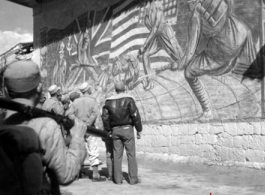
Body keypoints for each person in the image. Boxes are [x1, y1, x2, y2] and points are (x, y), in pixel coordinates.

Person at [2, 60, 87, 195]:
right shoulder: (46, 126)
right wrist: (77, 139)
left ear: (5, 91)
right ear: (39, 89)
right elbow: (65, 175)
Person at [177, 0, 257, 120]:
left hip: (223, 50)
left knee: (189, 72)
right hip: (240, 31)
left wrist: (181, 63)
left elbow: (190, 51)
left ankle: (207, 111)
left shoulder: (196, 14)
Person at [102, 81, 142, 185]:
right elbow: (135, 115)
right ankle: (133, 179)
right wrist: (139, 130)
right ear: (124, 88)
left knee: (117, 155)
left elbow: (105, 118)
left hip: (115, 131)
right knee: (131, 155)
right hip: (127, 129)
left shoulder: (108, 102)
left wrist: (108, 131)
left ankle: (118, 180)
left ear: (115, 90)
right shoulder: (129, 99)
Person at [138, 0, 183, 90]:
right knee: (145, 55)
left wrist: (144, 45)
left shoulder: (156, 5)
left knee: (180, 59)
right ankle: (149, 81)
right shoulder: (146, 16)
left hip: (165, 33)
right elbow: (152, 32)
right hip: (157, 38)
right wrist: (145, 48)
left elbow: (156, 26)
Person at [68, 82, 105, 182]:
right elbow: (95, 113)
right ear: (88, 90)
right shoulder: (92, 101)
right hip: (90, 129)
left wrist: (79, 122)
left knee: (78, 150)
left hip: (79, 129)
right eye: (90, 88)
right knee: (93, 149)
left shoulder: (75, 102)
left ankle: (77, 174)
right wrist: (87, 123)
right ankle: (95, 175)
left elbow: (69, 114)